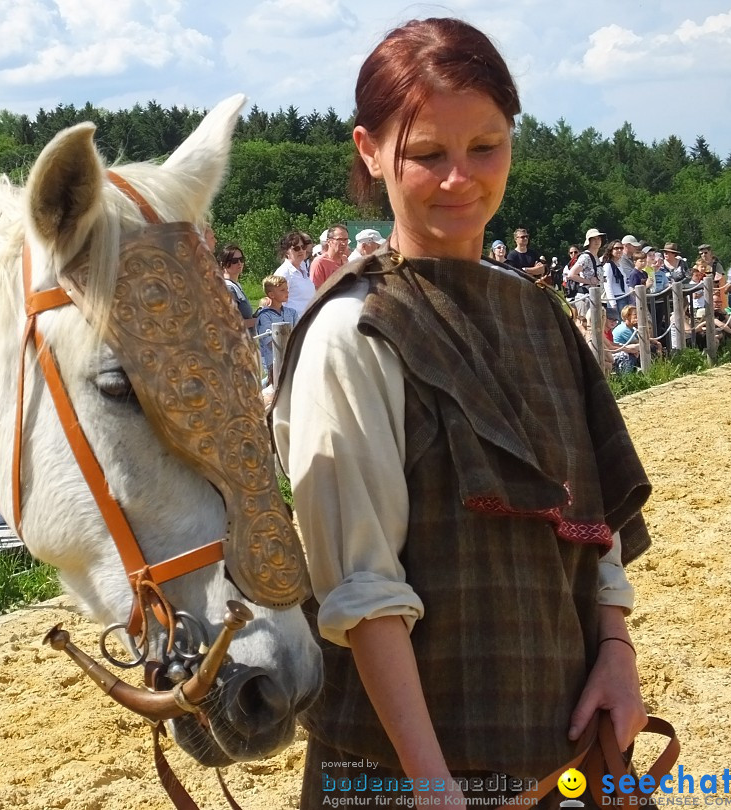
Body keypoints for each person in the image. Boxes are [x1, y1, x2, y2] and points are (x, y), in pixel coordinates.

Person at [271, 18, 651, 810]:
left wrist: (616, 651)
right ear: (371, 153)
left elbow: (592, 527)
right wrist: (432, 785)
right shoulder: (354, 331)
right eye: (426, 155)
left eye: (485, 147)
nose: (460, 179)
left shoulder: (539, 316)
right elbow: (361, 588)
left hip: (568, 751)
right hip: (397, 776)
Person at [255, 275, 298, 385]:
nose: (286, 292)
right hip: (272, 362)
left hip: (291, 359)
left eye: (287, 289)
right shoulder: (265, 316)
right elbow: (269, 341)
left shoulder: (292, 313)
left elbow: (298, 333)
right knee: (274, 386)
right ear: (271, 295)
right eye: (282, 290)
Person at [274, 231, 316, 322]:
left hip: (309, 322)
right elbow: (278, 304)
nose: (301, 250)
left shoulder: (303, 267)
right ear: (286, 252)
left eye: (303, 247)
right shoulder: (284, 273)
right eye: (296, 248)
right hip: (294, 325)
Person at [218, 243, 257, 335]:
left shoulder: (236, 286)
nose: (239, 263)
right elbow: (230, 323)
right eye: (234, 261)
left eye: (241, 259)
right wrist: (257, 320)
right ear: (223, 264)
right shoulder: (228, 288)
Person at [310, 223, 351, 287]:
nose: (343, 243)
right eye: (339, 239)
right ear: (329, 241)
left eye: (345, 239)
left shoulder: (345, 260)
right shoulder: (319, 263)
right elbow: (316, 291)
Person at [600, 239, 628, 321]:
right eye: (616, 248)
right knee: (617, 322)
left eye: (621, 248)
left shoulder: (619, 264)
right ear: (611, 250)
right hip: (615, 298)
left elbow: (625, 282)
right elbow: (607, 285)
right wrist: (613, 303)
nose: (619, 250)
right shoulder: (608, 265)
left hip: (623, 296)